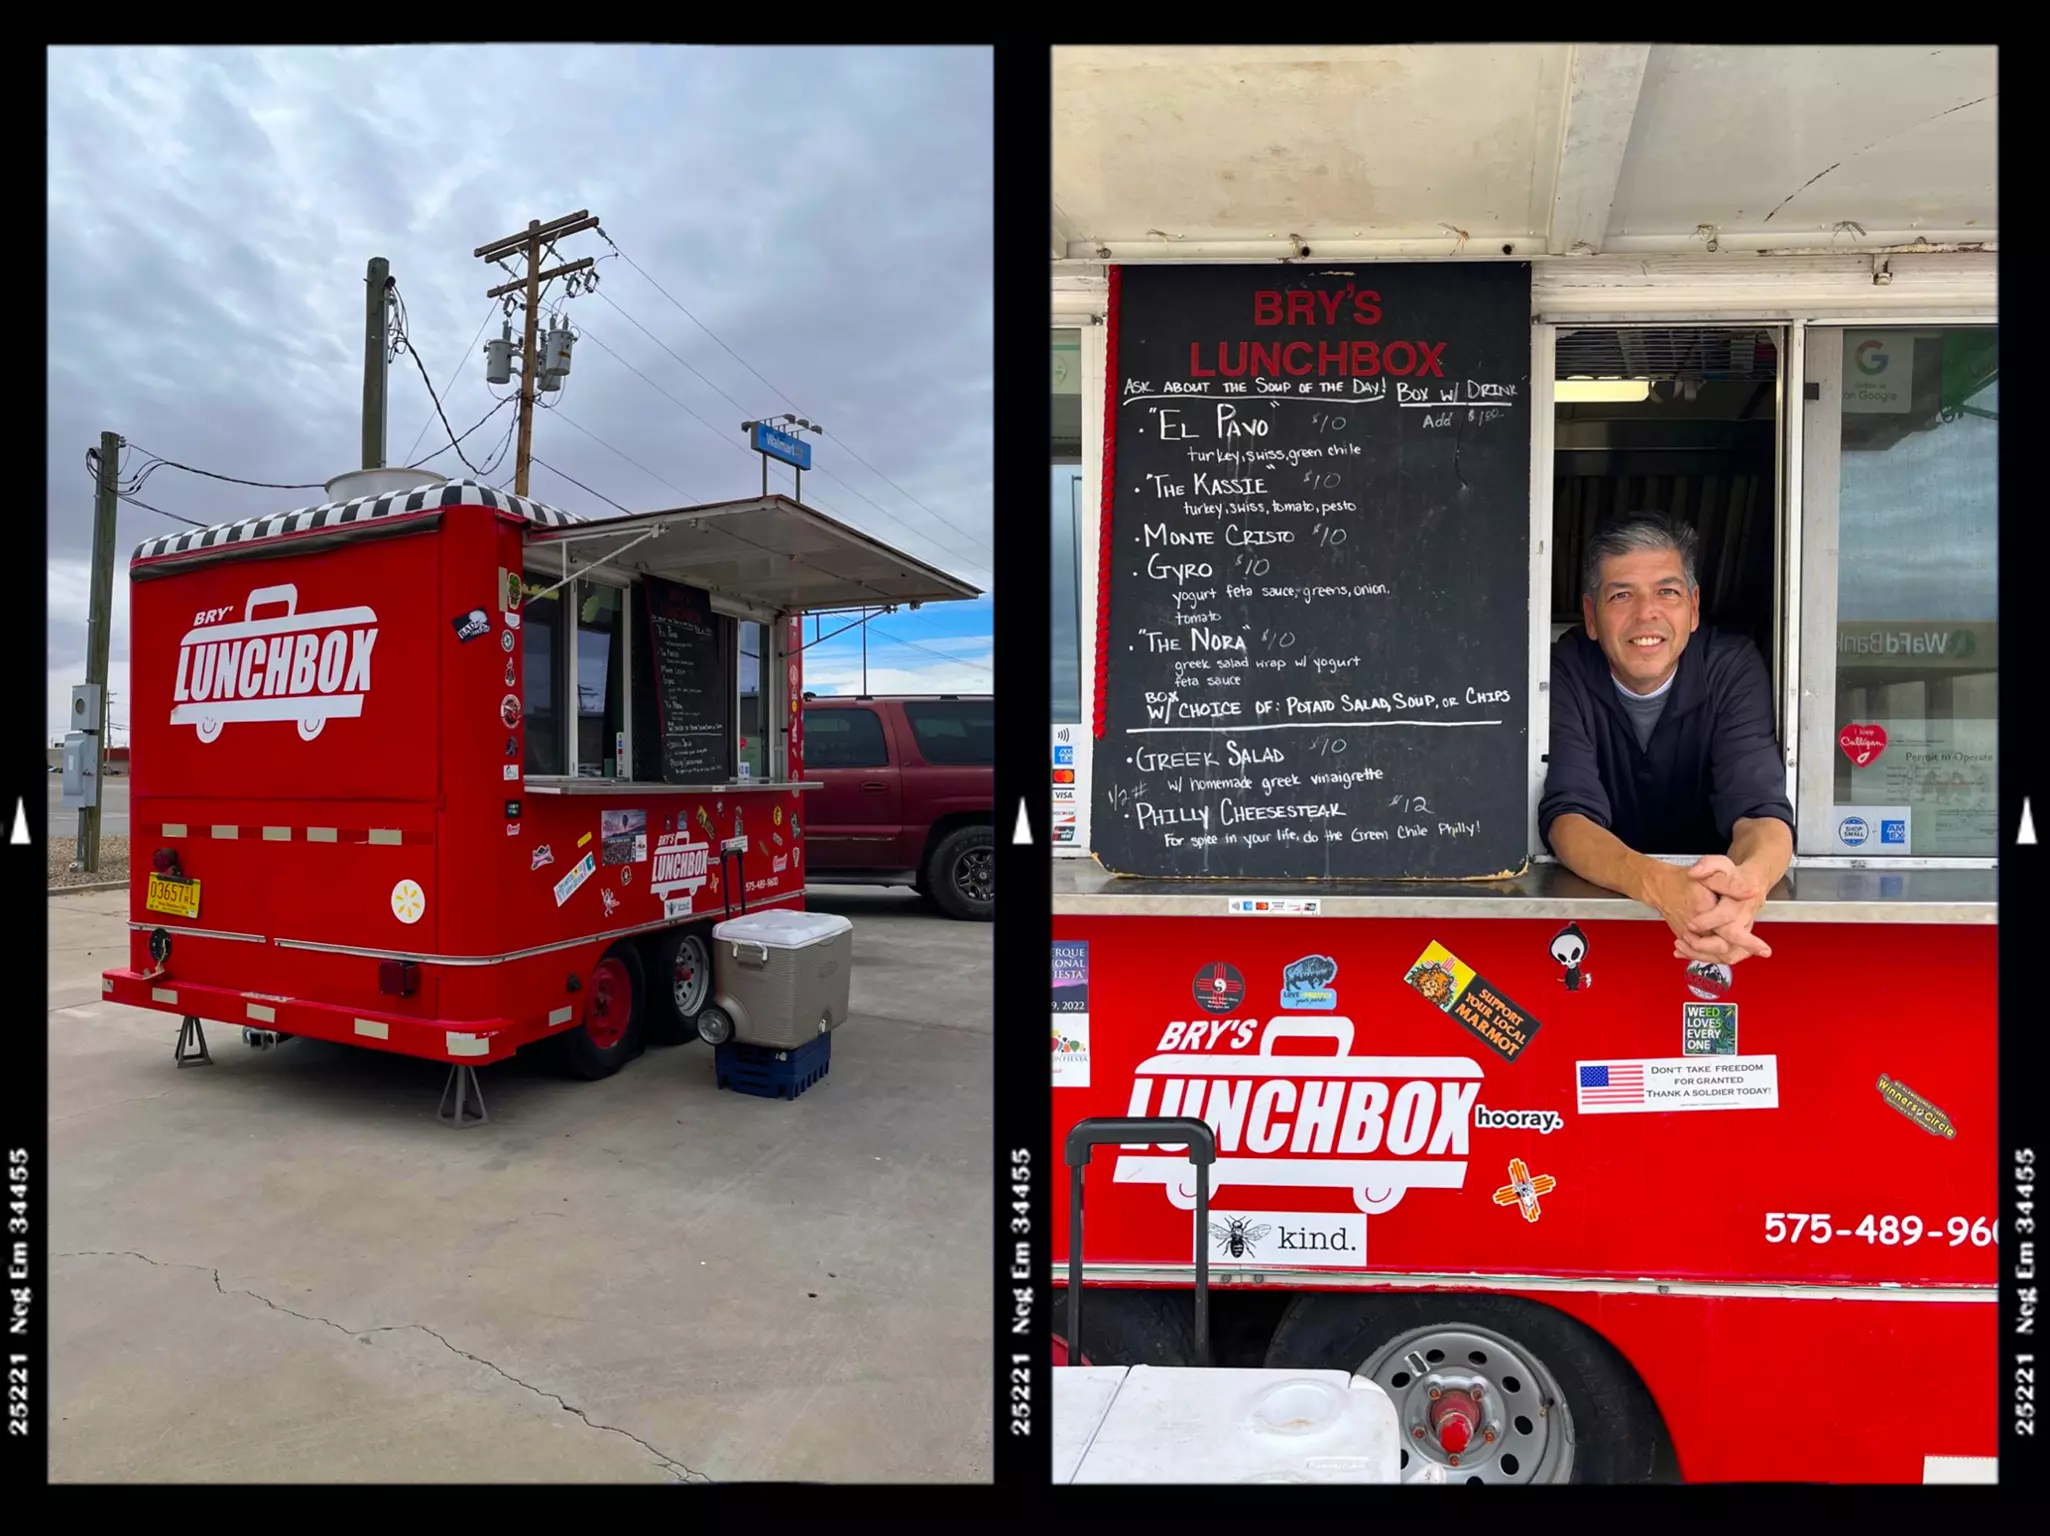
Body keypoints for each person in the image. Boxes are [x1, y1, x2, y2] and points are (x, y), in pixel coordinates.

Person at [1538, 512, 1793, 965]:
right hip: (1601, 917)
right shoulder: (1566, 667)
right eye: (1621, 595)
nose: (1646, 613)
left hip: (1712, 915)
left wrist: (1745, 891)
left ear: (1693, 608)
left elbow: (1760, 812)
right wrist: (1660, 885)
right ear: (1592, 616)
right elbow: (1568, 818)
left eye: (1667, 592)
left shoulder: (1730, 666)